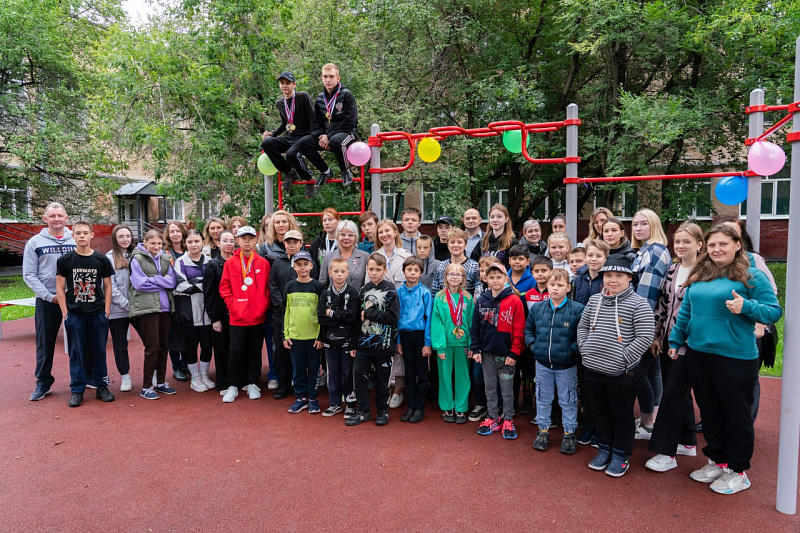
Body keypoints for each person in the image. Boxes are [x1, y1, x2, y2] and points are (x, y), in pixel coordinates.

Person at [668, 225, 782, 494]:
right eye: (712, 245)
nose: (717, 249)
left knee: (735, 414)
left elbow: (773, 312)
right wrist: (675, 340)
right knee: (710, 412)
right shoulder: (701, 274)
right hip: (699, 354)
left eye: (723, 244)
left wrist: (747, 307)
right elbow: (686, 312)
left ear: (737, 245)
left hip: (735, 357)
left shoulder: (751, 275)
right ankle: (718, 461)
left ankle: (738, 471)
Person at [577, 256, 655, 477]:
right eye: (608, 275)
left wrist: (623, 358)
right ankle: (604, 449)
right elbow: (583, 326)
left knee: (621, 415)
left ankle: (620, 454)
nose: (612, 280)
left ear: (629, 278)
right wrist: (585, 348)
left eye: (619, 275)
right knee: (600, 412)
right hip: (593, 369)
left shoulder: (639, 304)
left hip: (622, 373)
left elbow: (645, 336)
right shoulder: (594, 301)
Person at [646, 222, 704, 473]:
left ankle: (666, 451)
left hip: (693, 344)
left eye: (686, 242)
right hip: (669, 340)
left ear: (699, 244)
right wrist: (656, 335)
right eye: (677, 241)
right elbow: (662, 305)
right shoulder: (672, 269)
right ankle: (687, 440)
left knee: (672, 394)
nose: (680, 246)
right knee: (678, 392)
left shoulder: (706, 272)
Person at [55, 221, 115, 407]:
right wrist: (65, 313)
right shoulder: (65, 260)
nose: (82, 236)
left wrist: (106, 311)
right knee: (76, 353)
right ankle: (77, 389)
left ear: (92, 235)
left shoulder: (101, 260)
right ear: (73, 235)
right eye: (78, 233)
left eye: (85, 233)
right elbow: (60, 287)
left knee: (99, 351)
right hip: (75, 314)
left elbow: (108, 286)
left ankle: (102, 386)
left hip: (97, 314)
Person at [526, 268, 585, 454]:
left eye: (560, 285)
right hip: (542, 363)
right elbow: (528, 330)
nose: (555, 288)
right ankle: (543, 430)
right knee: (543, 398)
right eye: (552, 284)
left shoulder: (578, 310)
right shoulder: (537, 309)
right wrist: (534, 347)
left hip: (566, 365)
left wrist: (571, 351)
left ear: (568, 287)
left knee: (568, 399)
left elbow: (582, 336)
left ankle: (569, 432)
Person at [24, 202, 76, 401]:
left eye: (60, 215)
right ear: (45, 219)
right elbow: (29, 274)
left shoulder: (76, 239)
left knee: (80, 339)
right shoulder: (35, 243)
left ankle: (85, 376)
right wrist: (49, 296)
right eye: (52, 216)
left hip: (74, 299)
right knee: (45, 342)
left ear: (66, 218)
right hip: (48, 300)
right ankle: (43, 382)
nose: (56, 219)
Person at [471, 263, 526, 440]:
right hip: (486, 353)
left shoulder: (514, 301)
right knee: (490, 387)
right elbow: (475, 327)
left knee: (507, 389)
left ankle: (508, 418)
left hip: (506, 355)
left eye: (499, 277)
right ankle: (493, 417)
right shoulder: (482, 300)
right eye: (491, 277)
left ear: (505, 278)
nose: (495, 280)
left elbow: (519, 329)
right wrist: (476, 348)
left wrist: (514, 352)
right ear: (486, 279)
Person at [630, 208, 671, 439]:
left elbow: (646, 295)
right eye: (635, 224)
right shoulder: (644, 251)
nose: (638, 228)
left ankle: (648, 422)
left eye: (644, 223)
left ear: (654, 225)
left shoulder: (655, 251)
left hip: (646, 320)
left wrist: (640, 327)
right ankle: (652, 420)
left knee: (637, 373)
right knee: (653, 371)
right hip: (651, 321)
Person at [347, 253, 400, 427]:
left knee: (382, 380)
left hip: (383, 345)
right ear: (366, 270)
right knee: (360, 377)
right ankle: (363, 411)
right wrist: (354, 343)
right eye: (371, 269)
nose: (374, 272)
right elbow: (357, 319)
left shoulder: (391, 291)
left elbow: (393, 317)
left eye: (378, 269)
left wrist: (371, 313)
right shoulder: (363, 290)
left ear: (385, 269)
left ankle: (382, 410)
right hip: (364, 344)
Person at [219, 226, 271, 403]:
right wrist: (232, 305)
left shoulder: (263, 263)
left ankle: (253, 383)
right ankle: (233, 384)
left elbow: (267, 288)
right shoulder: (230, 262)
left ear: (256, 240)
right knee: (235, 350)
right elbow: (224, 287)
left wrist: (263, 305)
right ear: (238, 240)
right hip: (237, 317)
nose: (247, 241)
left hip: (258, 316)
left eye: (250, 238)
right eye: (243, 238)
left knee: (255, 350)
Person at [129, 229, 178, 400]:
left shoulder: (165, 258)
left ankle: (161, 382)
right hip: (148, 308)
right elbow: (139, 284)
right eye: (153, 243)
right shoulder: (137, 259)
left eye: (159, 243)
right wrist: (160, 279)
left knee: (164, 346)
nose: (156, 246)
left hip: (166, 308)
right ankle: (146, 386)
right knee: (152, 347)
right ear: (145, 242)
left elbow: (172, 281)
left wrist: (153, 280)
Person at [270, 229, 319, 399]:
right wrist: (283, 305)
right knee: (282, 351)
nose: (292, 245)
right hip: (283, 314)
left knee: (306, 355)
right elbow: (273, 286)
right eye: (288, 242)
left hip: (305, 316)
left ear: (301, 243)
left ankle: (307, 389)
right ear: (284, 244)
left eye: (295, 242)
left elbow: (314, 285)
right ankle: (285, 385)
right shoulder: (278, 263)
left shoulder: (309, 263)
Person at [298, 63, 358, 197]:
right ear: (321, 78)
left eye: (331, 76)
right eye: (325, 76)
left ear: (338, 78)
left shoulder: (346, 95)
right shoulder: (320, 98)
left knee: (336, 140)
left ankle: (346, 171)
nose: (328, 80)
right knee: (303, 143)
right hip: (327, 136)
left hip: (347, 133)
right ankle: (325, 172)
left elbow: (350, 121)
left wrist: (329, 137)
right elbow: (315, 124)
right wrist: (321, 136)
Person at [258, 210, 300, 389]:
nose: (281, 225)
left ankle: (296, 375)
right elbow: (266, 278)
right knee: (275, 341)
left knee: (296, 340)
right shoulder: (265, 248)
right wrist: (279, 302)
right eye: (277, 222)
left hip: (297, 304)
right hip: (275, 303)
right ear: (272, 226)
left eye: (284, 221)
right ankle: (275, 374)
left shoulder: (298, 246)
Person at [260, 70, 316, 198]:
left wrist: (315, 137)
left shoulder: (302, 97)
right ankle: (289, 172)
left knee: (291, 154)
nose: (285, 85)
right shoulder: (280, 103)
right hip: (290, 137)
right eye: (282, 83)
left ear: (294, 84)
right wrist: (272, 134)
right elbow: (285, 123)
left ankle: (308, 178)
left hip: (304, 137)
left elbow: (313, 118)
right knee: (266, 143)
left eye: (288, 83)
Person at [283, 250, 326, 414]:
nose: (302, 268)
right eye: (299, 265)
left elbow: (321, 314)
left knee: (314, 369)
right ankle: (300, 397)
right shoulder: (289, 286)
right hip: (295, 336)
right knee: (298, 369)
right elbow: (286, 312)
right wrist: (286, 335)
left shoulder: (318, 287)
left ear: (311, 266)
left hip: (313, 337)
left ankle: (313, 398)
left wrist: (320, 336)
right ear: (294, 266)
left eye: (305, 264)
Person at [431, 262, 474, 424]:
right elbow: (437, 323)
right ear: (446, 277)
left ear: (463, 278)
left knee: (463, 377)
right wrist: (440, 346)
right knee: (445, 376)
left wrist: (471, 344)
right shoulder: (440, 297)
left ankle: (461, 407)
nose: (455, 277)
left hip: (463, 344)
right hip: (446, 345)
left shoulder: (468, 297)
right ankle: (447, 406)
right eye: (451, 274)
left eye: (458, 275)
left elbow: (471, 322)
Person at [317, 258, 360, 418]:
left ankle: (350, 404)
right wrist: (341, 317)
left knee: (348, 373)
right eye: (336, 271)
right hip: (330, 343)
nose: (339, 274)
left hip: (347, 343)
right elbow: (322, 318)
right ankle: (335, 403)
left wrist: (333, 313)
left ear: (348, 273)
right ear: (330, 273)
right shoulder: (325, 294)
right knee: (333, 373)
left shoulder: (353, 293)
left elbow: (352, 318)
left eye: (342, 271)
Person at [173, 229, 215, 393]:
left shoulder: (210, 261)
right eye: (190, 242)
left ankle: (204, 374)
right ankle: (195, 377)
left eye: (196, 241)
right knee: (190, 346)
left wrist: (194, 282)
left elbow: (214, 283)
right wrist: (203, 284)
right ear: (185, 243)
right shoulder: (180, 262)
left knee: (207, 345)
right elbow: (180, 285)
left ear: (203, 242)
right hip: (189, 311)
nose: (193, 245)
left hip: (208, 311)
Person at [396, 256, 434, 423]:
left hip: (420, 335)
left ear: (421, 273)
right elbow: (397, 317)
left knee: (422, 372)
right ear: (404, 272)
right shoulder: (399, 292)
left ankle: (420, 407)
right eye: (409, 270)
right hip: (404, 335)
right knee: (409, 372)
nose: (412, 273)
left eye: (416, 270)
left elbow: (429, 318)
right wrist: (398, 340)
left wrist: (427, 343)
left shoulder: (425, 292)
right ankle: (410, 406)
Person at [107, 224, 142, 392]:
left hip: (140, 308)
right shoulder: (109, 258)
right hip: (118, 310)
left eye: (128, 236)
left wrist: (136, 305)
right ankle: (125, 376)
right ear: (115, 239)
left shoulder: (138, 254)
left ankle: (154, 373)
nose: (125, 239)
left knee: (151, 340)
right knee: (120, 344)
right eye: (121, 236)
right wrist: (126, 305)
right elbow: (110, 287)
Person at [203, 230, 235, 394]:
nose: (229, 244)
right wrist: (214, 318)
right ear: (218, 243)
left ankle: (237, 380)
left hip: (237, 314)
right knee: (221, 349)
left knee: (236, 348)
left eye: (231, 241)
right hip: (220, 315)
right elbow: (209, 294)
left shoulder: (238, 262)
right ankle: (223, 383)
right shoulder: (212, 265)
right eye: (225, 241)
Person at [164, 221, 190, 382]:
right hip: (172, 299)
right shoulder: (165, 253)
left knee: (188, 333)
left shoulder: (189, 250)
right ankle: (176, 366)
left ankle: (186, 363)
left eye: (177, 231)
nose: (175, 234)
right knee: (173, 334)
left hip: (188, 298)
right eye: (172, 231)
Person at [319, 220, 369, 289]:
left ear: (355, 237)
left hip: (357, 296)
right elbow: (322, 283)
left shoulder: (365, 257)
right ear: (337, 236)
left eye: (350, 235)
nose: (346, 238)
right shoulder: (329, 257)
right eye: (343, 234)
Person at [431, 228, 481, 294]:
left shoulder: (474, 266)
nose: (456, 245)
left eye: (459, 242)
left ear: (465, 244)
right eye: (452, 242)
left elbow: (478, 291)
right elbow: (435, 292)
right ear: (447, 245)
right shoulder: (441, 266)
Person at [470, 204, 517, 269]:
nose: (495, 220)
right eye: (492, 217)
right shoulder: (482, 242)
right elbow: (473, 265)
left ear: (506, 219)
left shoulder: (512, 243)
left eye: (499, 217)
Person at [375, 219, 411, 288]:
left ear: (395, 232)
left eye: (387, 230)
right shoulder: (373, 258)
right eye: (380, 232)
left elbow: (413, 284)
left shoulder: (407, 256)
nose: (384, 234)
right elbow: (369, 286)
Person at [573, 240, 608, 306]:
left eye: (598, 256)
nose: (594, 259)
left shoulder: (607, 280)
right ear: (585, 257)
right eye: (590, 255)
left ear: (605, 259)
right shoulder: (577, 279)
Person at [309, 207, 340, 275]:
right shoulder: (316, 243)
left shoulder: (344, 242)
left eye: (330, 219)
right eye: (324, 220)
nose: (327, 223)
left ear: (338, 221)